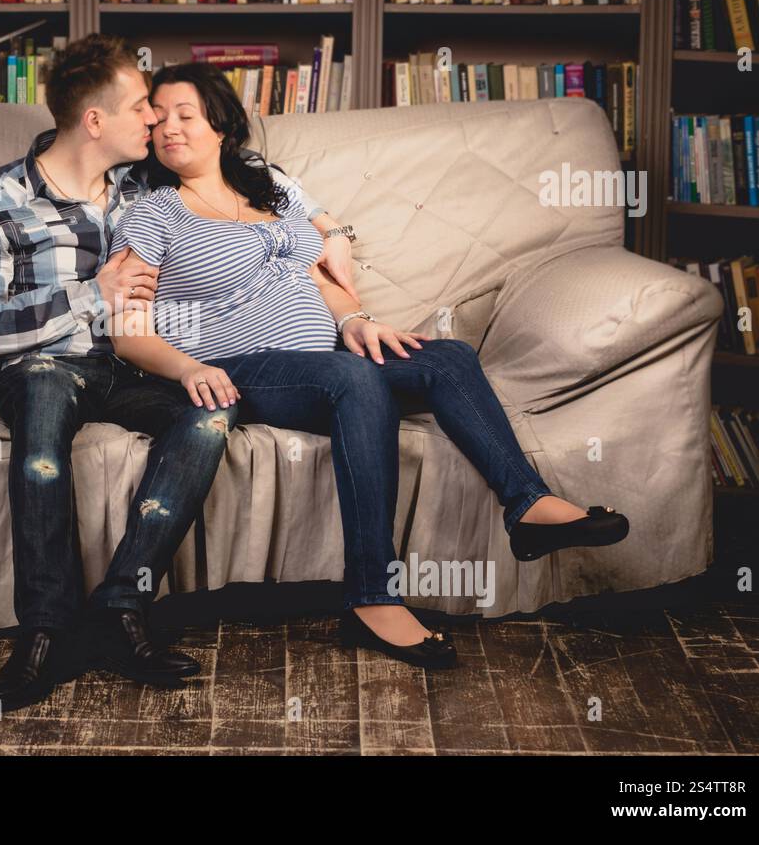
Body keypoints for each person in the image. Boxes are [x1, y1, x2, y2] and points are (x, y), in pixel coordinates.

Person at [105, 62, 631, 671]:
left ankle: (527, 507)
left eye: (185, 115)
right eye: (158, 119)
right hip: (231, 367)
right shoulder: (154, 213)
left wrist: (356, 320)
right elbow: (126, 334)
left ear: (221, 125)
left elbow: (312, 277)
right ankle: (371, 597)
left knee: (447, 358)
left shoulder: (269, 193)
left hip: (322, 365)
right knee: (352, 377)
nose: (168, 128)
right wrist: (185, 369)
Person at [0, 36, 362, 710]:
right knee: (46, 396)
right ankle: (45, 631)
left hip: (132, 364)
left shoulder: (146, 182)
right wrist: (90, 294)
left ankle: (122, 606)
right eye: (143, 106)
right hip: (48, 364)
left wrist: (333, 229)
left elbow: (253, 173)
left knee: (212, 408)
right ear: (95, 121)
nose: (157, 119)